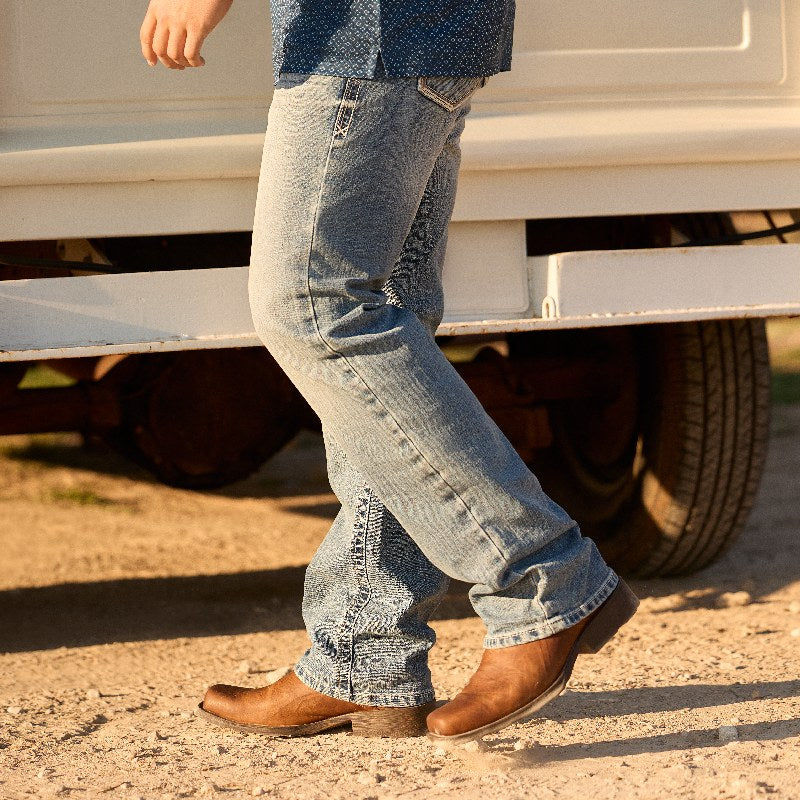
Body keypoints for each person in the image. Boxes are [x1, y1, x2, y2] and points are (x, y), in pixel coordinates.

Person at [139, 0, 639, 743]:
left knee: (313, 305)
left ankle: (544, 579)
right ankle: (363, 654)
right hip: (414, 33)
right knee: (381, 317)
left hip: (365, 31)